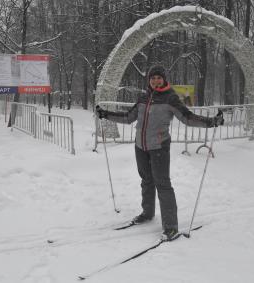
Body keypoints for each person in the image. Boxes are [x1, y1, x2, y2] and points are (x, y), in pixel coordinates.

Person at [96, 65, 224, 241]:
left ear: (164, 79)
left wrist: (211, 122)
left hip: (159, 148)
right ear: (148, 80)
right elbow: (128, 117)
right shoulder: (143, 97)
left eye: (158, 78)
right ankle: (147, 213)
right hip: (140, 147)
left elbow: (187, 117)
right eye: (152, 78)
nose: (155, 81)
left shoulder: (170, 98)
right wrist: (105, 114)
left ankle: (171, 227)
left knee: (163, 185)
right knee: (146, 181)